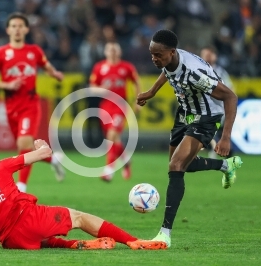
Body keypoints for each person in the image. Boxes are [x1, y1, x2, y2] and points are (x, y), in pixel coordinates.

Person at [0, 139, 167, 251]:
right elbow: (46, 153)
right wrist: (40, 145)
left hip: (11, 242)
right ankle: (133, 241)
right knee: (77, 216)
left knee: (44, 239)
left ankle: (75, 245)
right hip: (27, 218)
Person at [136, 30, 243, 248]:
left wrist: (225, 137)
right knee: (179, 166)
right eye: (152, 55)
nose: (154, 59)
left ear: (172, 52)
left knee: (176, 166)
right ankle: (225, 165)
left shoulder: (194, 73)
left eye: (158, 55)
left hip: (206, 117)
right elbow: (168, 71)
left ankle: (164, 234)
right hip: (185, 113)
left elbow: (230, 96)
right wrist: (152, 91)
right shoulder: (169, 59)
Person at [0, 12, 65, 192]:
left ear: (26, 29)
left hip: (30, 104)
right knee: (25, 148)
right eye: (13, 26)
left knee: (23, 144)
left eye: (20, 26)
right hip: (11, 107)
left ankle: (21, 187)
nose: (17, 29)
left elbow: (47, 66)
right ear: (7, 30)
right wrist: (8, 84)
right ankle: (54, 160)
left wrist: (55, 74)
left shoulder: (34, 51)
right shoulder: (0, 53)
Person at [89, 42, 141, 181]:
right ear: (105, 52)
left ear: (119, 52)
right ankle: (126, 160)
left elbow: (136, 81)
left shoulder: (126, 67)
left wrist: (139, 99)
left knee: (112, 135)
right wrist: (100, 89)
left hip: (120, 104)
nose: (112, 52)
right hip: (105, 105)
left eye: (115, 50)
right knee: (114, 139)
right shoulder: (99, 67)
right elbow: (92, 86)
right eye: (109, 50)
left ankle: (109, 170)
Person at [200, 45, 235, 158]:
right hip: (204, 108)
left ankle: (216, 149)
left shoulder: (220, 72)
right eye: (205, 55)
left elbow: (231, 91)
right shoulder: (198, 70)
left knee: (214, 130)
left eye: (210, 55)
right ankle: (217, 150)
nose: (208, 57)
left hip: (218, 108)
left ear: (215, 57)